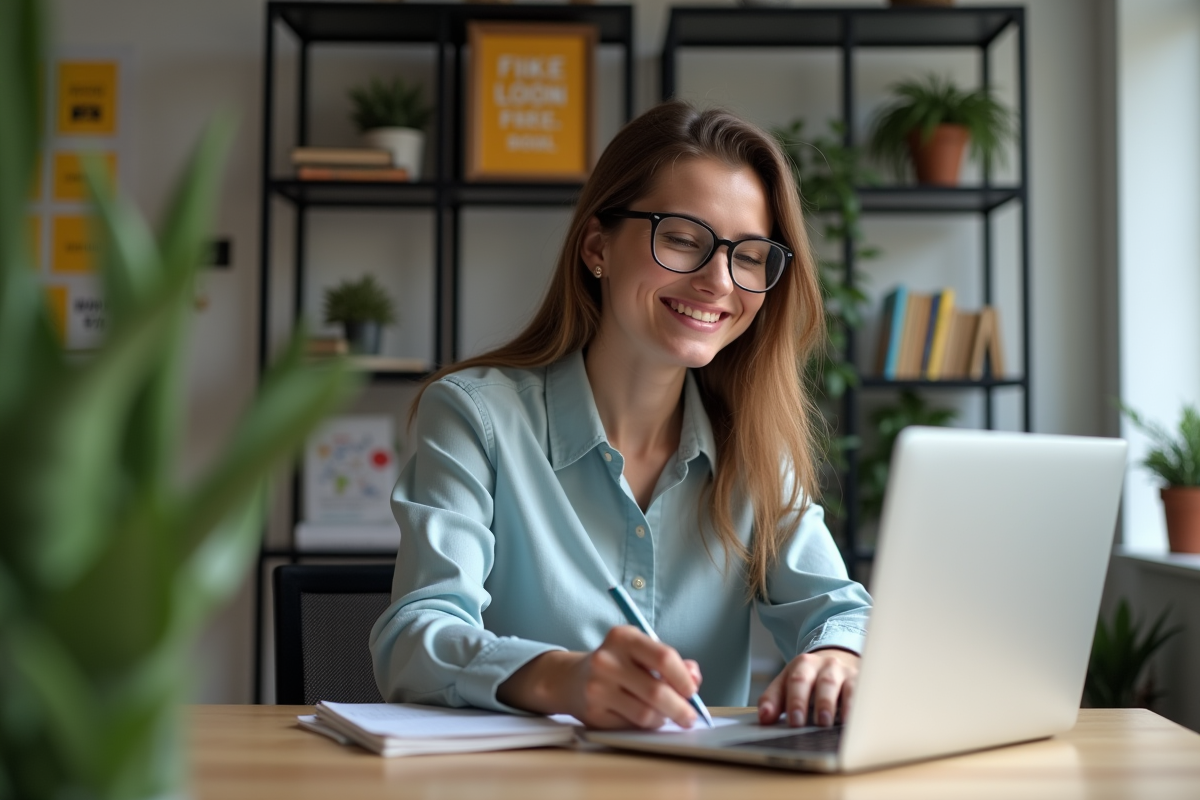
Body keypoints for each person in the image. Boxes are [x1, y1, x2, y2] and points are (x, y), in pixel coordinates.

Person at [370, 100, 872, 731]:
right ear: (597, 247)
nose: (719, 281)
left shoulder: (752, 447)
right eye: (684, 239)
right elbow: (414, 639)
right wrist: (562, 678)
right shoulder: (475, 416)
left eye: (747, 256)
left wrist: (836, 653)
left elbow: (840, 610)